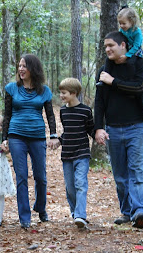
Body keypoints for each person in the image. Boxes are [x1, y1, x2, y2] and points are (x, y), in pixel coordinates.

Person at [94, 31, 143, 228]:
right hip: (113, 130)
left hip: (137, 127)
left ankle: (141, 211)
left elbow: (139, 88)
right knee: (120, 176)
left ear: (123, 45)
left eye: (111, 45)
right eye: (105, 46)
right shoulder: (103, 70)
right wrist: (98, 128)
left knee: (138, 171)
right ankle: (127, 213)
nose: (108, 49)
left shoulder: (139, 64)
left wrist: (113, 82)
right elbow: (99, 102)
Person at [1, 54, 59, 229]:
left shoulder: (44, 91)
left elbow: (49, 114)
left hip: (37, 136)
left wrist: (54, 134)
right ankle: (24, 216)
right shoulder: (11, 88)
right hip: (16, 135)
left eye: (24, 66)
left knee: (40, 177)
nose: (20, 69)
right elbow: (7, 114)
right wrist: (5, 138)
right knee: (21, 177)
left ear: (33, 68)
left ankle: (41, 208)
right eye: (19, 66)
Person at [53, 78, 94, 229]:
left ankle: (80, 215)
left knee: (80, 184)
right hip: (67, 154)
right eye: (61, 93)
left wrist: (99, 135)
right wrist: (59, 140)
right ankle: (75, 212)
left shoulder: (85, 111)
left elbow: (90, 129)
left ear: (73, 93)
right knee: (70, 188)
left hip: (82, 153)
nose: (61, 96)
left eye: (63, 93)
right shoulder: (63, 111)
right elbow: (68, 131)